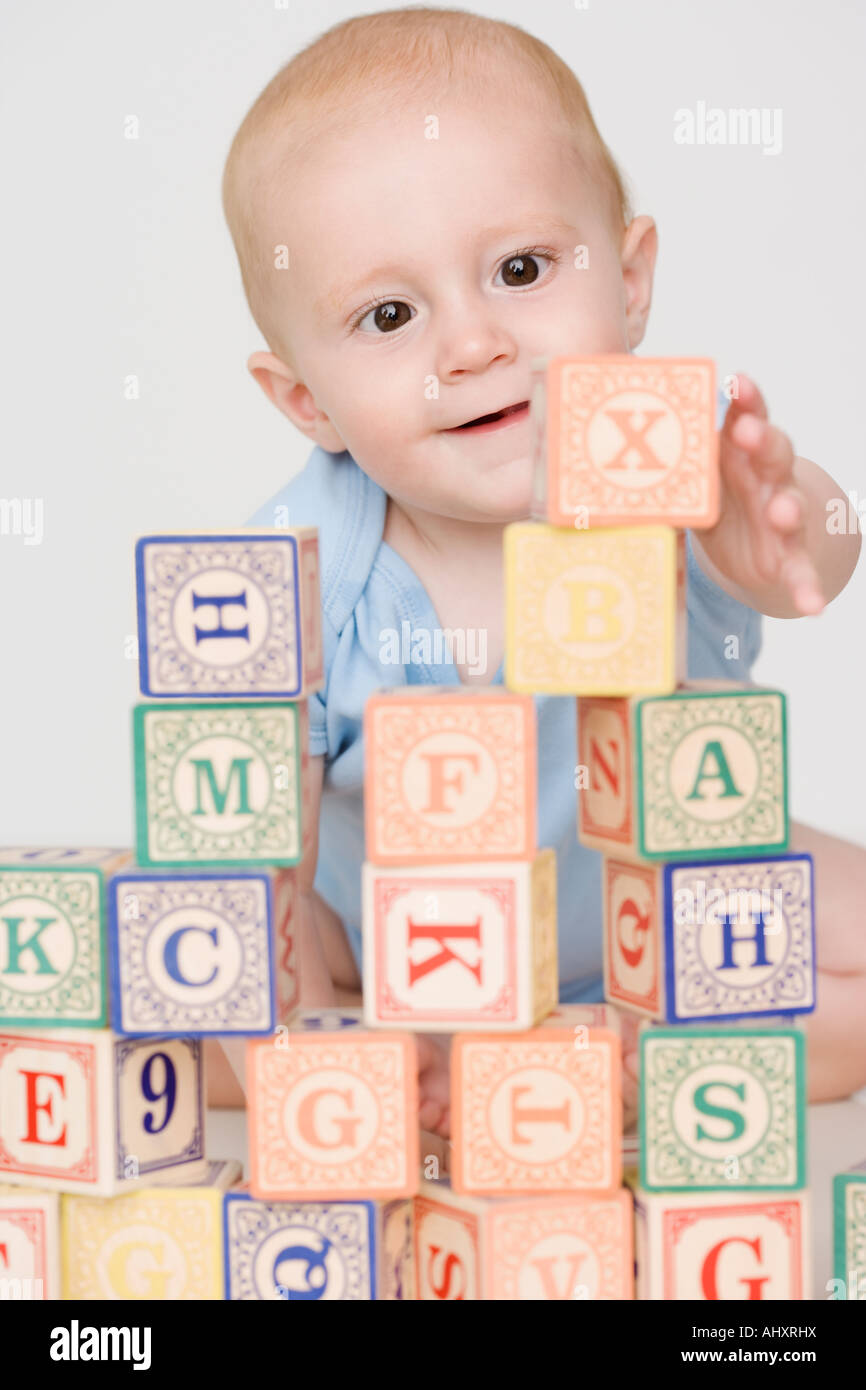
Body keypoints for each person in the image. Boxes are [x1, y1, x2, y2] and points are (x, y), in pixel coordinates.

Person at [210, 8, 863, 1130]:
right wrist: (306, 1045)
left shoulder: (672, 458)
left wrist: (778, 527)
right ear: (306, 400)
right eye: (388, 314)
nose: (473, 345)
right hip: (385, 940)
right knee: (198, 963)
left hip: (670, 911)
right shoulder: (290, 575)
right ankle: (424, 1055)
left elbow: (810, 554)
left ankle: (622, 1053)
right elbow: (257, 845)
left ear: (630, 280)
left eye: (520, 269)